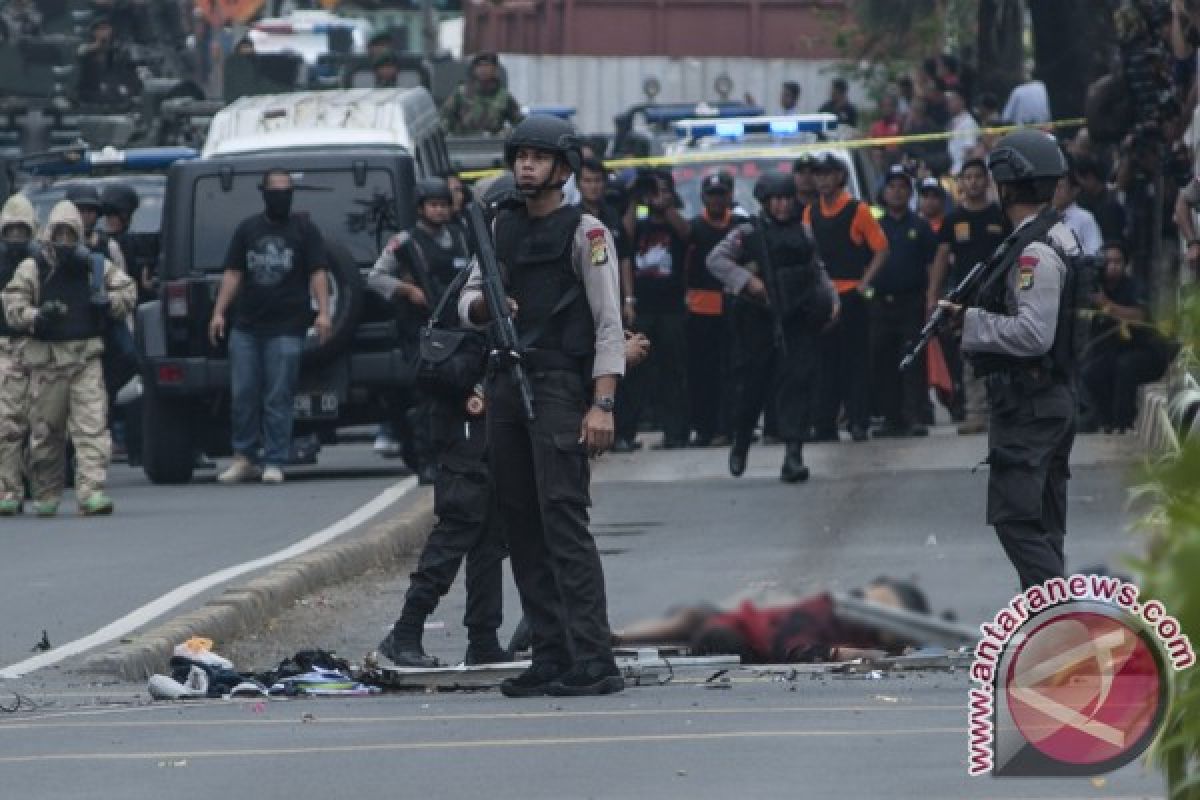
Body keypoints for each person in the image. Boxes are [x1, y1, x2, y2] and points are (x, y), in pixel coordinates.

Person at [457, 115, 626, 697]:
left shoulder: (587, 232)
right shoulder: (499, 227)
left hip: (557, 387)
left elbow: (609, 324)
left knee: (563, 521)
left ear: (562, 168)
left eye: (537, 156)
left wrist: (601, 403)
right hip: (506, 381)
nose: (525, 165)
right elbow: (469, 300)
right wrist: (485, 308)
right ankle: (551, 654)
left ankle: (595, 657)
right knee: (519, 523)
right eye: (519, 156)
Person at [372, 178, 507, 668]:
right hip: (461, 417)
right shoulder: (475, 276)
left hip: (493, 415)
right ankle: (405, 631)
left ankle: (484, 638)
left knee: (491, 534)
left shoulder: (498, 266)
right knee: (460, 523)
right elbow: (453, 348)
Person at [939, 129, 1079, 590]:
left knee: (1016, 521)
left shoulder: (1035, 253)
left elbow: (1034, 334)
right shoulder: (1053, 235)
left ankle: (1061, 618)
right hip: (1046, 399)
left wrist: (971, 323)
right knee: (1043, 523)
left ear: (1008, 187)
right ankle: (1054, 633)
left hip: (1031, 403)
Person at [2, 201, 136, 516]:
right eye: (58, 234)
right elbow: (13, 302)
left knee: (91, 428)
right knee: (46, 434)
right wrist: (37, 316)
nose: (63, 241)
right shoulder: (33, 267)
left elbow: (128, 291)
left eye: (69, 235)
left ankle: (91, 491)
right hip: (47, 363)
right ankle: (46, 493)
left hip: (85, 358)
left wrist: (108, 302)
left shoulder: (96, 266)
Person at [707, 172, 835, 481]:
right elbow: (716, 260)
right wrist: (748, 281)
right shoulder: (748, 233)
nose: (783, 205)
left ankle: (793, 454)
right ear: (766, 202)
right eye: (776, 199)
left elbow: (816, 268)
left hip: (797, 317)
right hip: (757, 320)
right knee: (751, 387)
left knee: (797, 382)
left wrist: (831, 299)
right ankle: (741, 441)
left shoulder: (803, 232)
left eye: (787, 199)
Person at [208, 169, 332, 485]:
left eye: (286, 189)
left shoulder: (305, 229)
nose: (281, 195)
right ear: (263, 192)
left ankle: (275, 459)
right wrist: (219, 312)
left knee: (279, 395)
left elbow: (318, 272)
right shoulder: (247, 229)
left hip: (288, 326)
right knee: (244, 394)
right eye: (275, 189)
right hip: (247, 325)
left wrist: (324, 313)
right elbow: (233, 273)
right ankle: (244, 457)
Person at [370, 178, 472, 484]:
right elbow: (375, 277)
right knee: (426, 398)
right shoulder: (405, 242)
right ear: (421, 208)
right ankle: (425, 460)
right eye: (433, 205)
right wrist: (407, 290)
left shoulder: (460, 236)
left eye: (444, 205)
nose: (439, 211)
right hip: (420, 330)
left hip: (457, 328)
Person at [613, 577, 932, 664]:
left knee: (701, 625)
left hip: (743, 635)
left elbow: (803, 647)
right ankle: (620, 639)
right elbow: (802, 645)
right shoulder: (830, 612)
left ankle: (621, 639)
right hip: (742, 628)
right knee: (695, 616)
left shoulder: (849, 622)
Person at [804, 154, 888, 442]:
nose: (823, 180)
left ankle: (858, 421)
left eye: (828, 174)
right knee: (824, 363)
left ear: (840, 177)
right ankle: (824, 422)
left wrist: (865, 283)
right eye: (818, 175)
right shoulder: (810, 213)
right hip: (823, 298)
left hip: (851, 295)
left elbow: (881, 248)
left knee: (855, 361)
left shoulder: (858, 210)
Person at [927, 158, 1010, 433]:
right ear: (960, 183)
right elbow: (941, 258)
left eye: (978, 176)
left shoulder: (1000, 216)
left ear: (987, 181)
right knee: (971, 353)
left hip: (998, 296)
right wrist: (933, 295)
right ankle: (975, 412)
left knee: (1001, 353)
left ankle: (1002, 411)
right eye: (968, 177)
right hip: (965, 298)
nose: (973, 182)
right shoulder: (953, 220)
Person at [618, 169, 691, 450]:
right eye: (654, 190)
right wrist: (636, 199)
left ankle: (676, 433)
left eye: (663, 189)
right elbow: (624, 236)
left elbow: (687, 234)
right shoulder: (640, 222)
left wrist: (666, 204)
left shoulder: (675, 221)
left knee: (673, 371)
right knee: (634, 371)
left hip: (672, 307)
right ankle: (625, 433)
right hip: (642, 307)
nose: (657, 195)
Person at [871, 166, 937, 438]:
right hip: (880, 303)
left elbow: (933, 264)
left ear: (909, 192)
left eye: (902, 187)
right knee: (883, 360)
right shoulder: (875, 226)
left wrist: (932, 296)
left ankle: (914, 416)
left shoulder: (920, 226)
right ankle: (890, 417)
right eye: (891, 187)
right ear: (883, 192)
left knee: (912, 359)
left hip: (910, 301)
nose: (896, 192)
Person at [1081, 241, 1172, 433]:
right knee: (1092, 372)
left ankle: (1123, 422)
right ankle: (1106, 421)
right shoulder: (1095, 286)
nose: (1113, 266)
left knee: (1126, 366)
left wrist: (1107, 305)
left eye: (1118, 261)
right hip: (1113, 350)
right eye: (1108, 262)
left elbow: (1139, 316)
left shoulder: (1134, 286)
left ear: (1126, 264)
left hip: (1145, 351)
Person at [684, 172, 738, 448]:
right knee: (702, 373)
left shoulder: (740, 226)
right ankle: (703, 428)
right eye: (712, 194)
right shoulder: (693, 229)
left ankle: (727, 427)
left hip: (733, 309)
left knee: (731, 371)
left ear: (730, 196)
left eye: (722, 194)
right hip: (700, 311)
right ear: (704, 197)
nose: (717, 200)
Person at [0, 195, 38, 515]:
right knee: (7, 422)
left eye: (21, 231)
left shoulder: (44, 262)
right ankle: (8, 488)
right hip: (4, 347)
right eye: (9, 231)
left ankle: (36, 482)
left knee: (42, 423)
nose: (15, 238)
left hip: (39, 348)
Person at [440, 52, 524, 135]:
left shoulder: (504, 97)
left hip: (493, 145)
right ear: (474, 69)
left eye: (487, 65)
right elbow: (444, 118)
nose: (483, 69)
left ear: (494, 69)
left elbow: (520, 123)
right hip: (464, 144)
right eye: (479, 66)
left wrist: (508, 132)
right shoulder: (461, 93)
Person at [76, 16, 142, 106]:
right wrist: (98, 45)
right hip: (91, 88)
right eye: (101, 29)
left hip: (114, 88)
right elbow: (81, 54)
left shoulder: (118, 49)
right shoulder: (85, 48)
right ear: (94, 32)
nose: (104, 32)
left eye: (107, 29)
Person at [67, 185, 126, 274]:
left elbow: (124, 285)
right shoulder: (56, 248)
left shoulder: (110, 246)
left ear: (98, 214)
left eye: (91, 210)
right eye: (80, 210)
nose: (86, 216)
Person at [1072, 155, 1126, 243]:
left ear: (1090, 177)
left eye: (1081, 180)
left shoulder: (1109, 205)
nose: (1080, 186)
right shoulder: (1084, 200)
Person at [1052, 168, 1103, 256]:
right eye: (1054, 187)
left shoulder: (1085, 218)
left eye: (1060, 187)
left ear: (1075, 190)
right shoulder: (1047, 217)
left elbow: (1095, 251)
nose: (1056, 191)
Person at [945, 89, 979, 176]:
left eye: (952, 100)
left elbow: (970, 150)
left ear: (962, 101)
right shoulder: (953, 121)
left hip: (962, 170)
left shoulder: (968, 122)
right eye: (948, 101)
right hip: (954, 167)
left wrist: (964, 172)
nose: (949, 104)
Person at [868, 93, 903, 169]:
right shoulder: (875, 126)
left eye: (889, 106)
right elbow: (871, 148)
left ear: (894, 108)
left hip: (896, 164)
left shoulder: (901, 124)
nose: (886, 109)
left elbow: (898, 148)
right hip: (879, 167)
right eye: (884, 106)